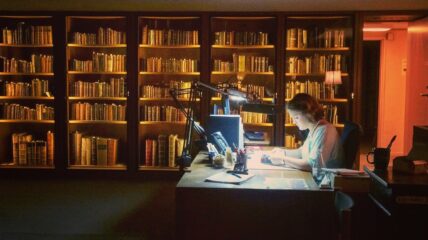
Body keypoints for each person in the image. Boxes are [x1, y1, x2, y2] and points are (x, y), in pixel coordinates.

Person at [268, 93, 344, 171]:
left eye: (296, 117)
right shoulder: (315, 128)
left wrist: (282, 159)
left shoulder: (324, 131)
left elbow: (311, 165)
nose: (294, 121)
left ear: (308, 114)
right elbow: (302, 152)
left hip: (322, 181)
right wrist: (283, 152)